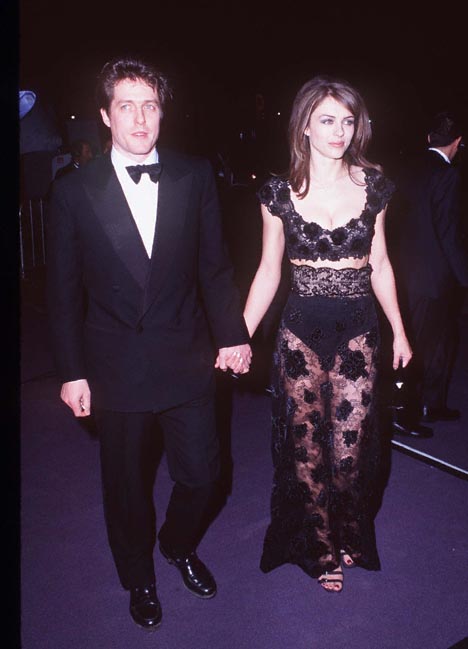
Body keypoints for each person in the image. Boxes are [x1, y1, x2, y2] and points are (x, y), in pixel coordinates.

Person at [46, 55, 252, 630]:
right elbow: (62, 293)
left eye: (150, 106)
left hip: (187, 356)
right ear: (105, 115)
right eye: (126, 107)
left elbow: (215, 268)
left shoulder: (194, 175)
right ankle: (138, 576)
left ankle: (177, 543)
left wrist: (232, 335)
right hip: (115, 366)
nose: (140, 119)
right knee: (127, 488)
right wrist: (71, 371)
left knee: (205, 475)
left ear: (163, 112)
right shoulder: (73, 191)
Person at [243, 75, 412, 593]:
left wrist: (400, 330)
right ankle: (318, 547)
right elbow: (268, 271)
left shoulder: (374, 186)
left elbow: (380, 263)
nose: (339, 131)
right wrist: (238, 335)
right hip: (299, 332)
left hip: (358, 330)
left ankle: (350, 529)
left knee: (350, 451)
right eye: (327, 120)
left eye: (347, 121)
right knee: (307, 449)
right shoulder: (277, 193)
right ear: (305, 126)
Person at [388, 111, 468, 426]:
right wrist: (464, 278)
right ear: (458, 142)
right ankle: (405, 414)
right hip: (435, 278)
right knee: (422, 346)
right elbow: (449, 233)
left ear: (428, 138)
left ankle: (432, 403)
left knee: (440, 341)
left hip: (406, 272)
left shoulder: (406, 167)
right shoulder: (448, 175)